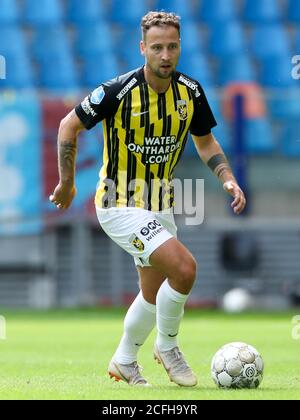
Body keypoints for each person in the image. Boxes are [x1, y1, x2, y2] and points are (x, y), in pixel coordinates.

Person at [50, 11, 246, 387]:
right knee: (185, 269)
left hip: (160, 203)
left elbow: (205, 142)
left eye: (172, 46)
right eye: (157, 47)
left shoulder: (190, 91)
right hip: (118, 202)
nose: (165, 55)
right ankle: (168, 346)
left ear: (180, 47)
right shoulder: (117, 91)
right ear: (143, 48)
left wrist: (228, 177)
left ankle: (124, 360)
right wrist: (67, 183)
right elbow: (67, 125)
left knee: (153, 292)